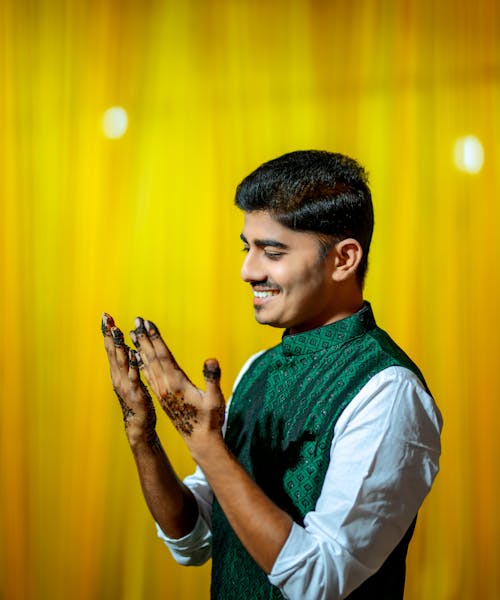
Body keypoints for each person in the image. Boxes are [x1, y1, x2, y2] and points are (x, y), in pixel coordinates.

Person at [101, 150, 442, 600]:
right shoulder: (257, 370)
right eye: (248, 248)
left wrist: (205, 445)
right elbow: (198, 539)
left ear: (344, 259)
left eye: (272, 251)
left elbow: (320, 580)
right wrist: (144, 436)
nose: (248, 270)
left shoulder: (389, 391)